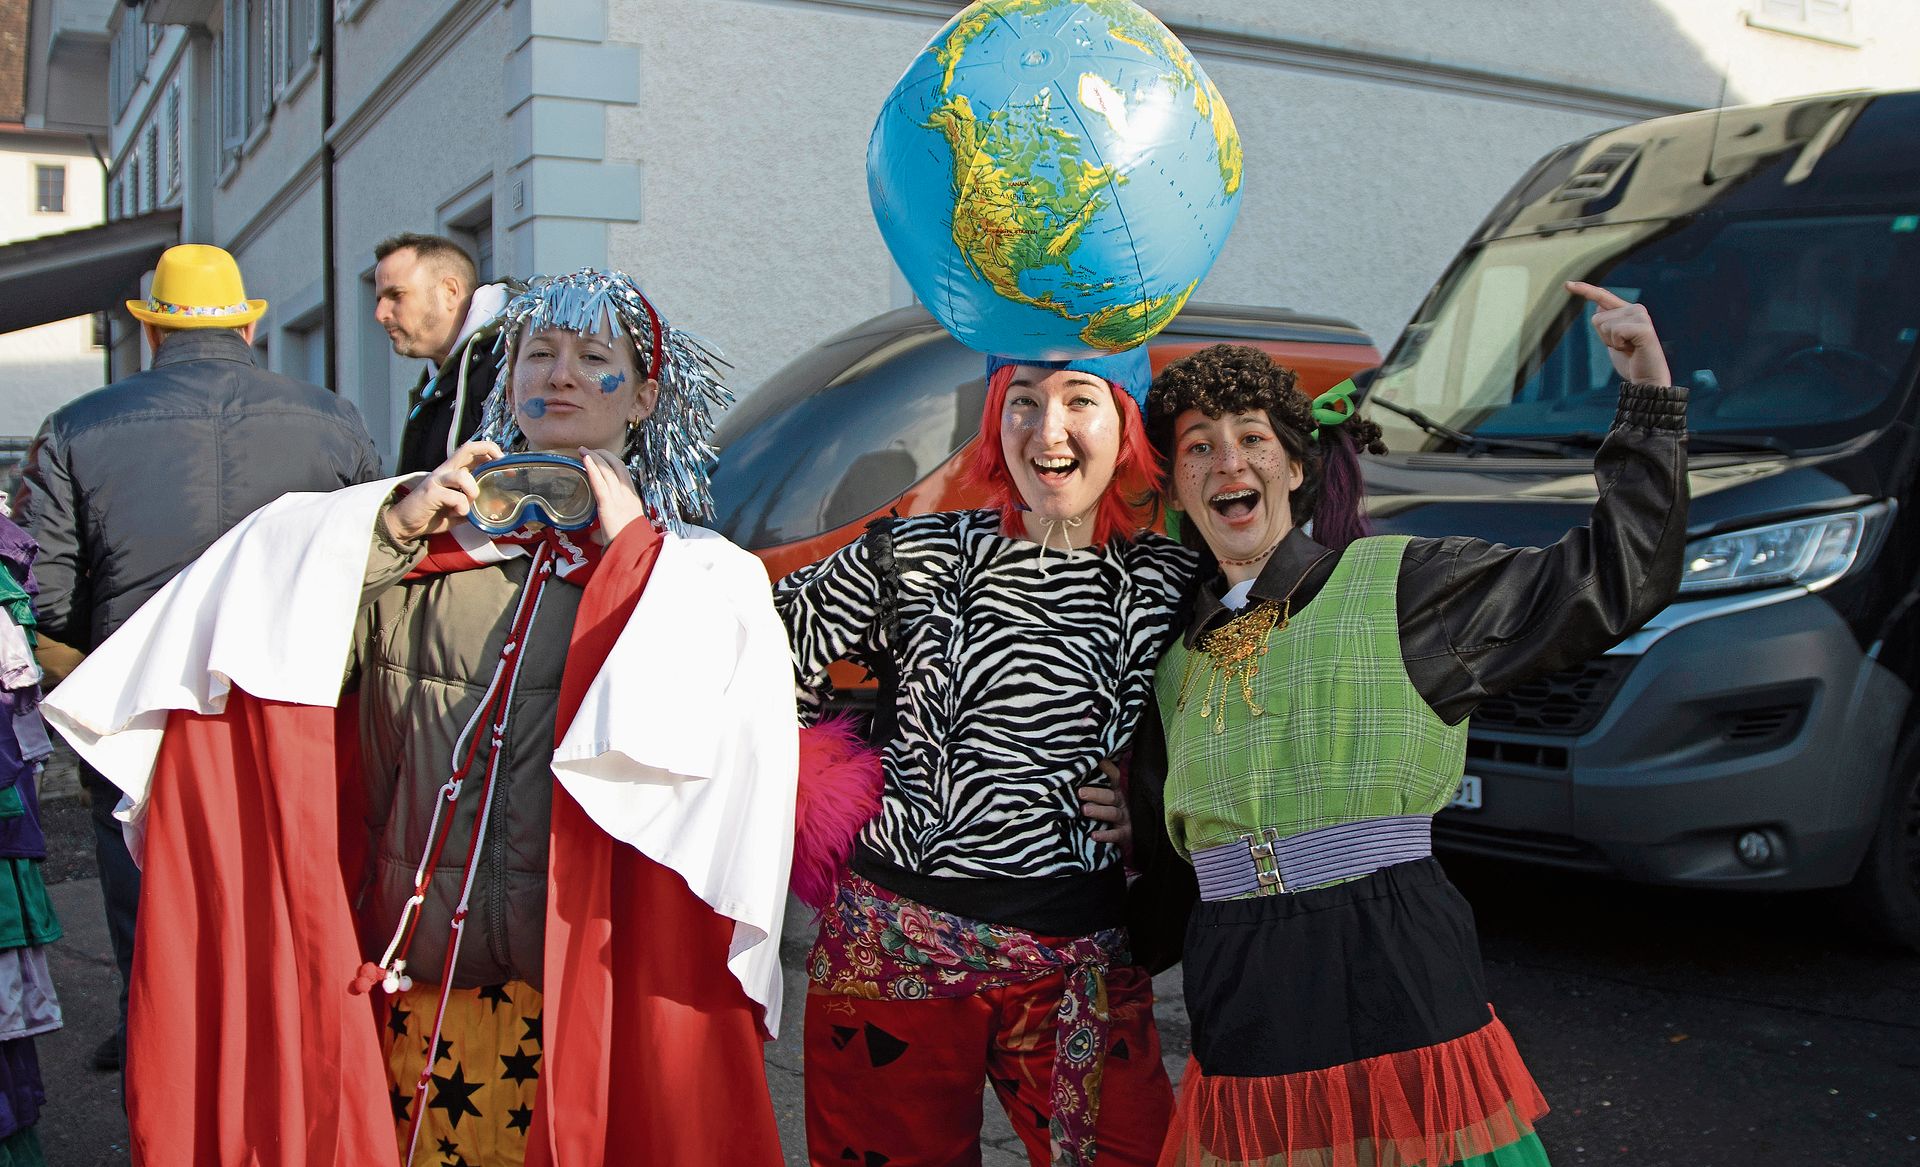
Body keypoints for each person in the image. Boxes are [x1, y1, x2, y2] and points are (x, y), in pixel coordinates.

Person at [43, 268, 797, 1166]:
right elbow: (269, 651)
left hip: (586, 997)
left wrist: (633, 558)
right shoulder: (421, 539)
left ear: (643, 396)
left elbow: (710, 765)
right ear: (506, 379)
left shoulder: (697, 576)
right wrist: (389, 536)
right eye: (537, 354)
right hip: (418, 977)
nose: (560, 374)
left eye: (594, 357)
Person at [1127, 283, 1687, 1167]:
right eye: (1200, 446)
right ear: (1178, 487)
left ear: (1296, 467)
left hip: (1395, 962)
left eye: (1252, 439)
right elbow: (1168, 886)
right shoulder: (1172, 665)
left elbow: (1612, 582)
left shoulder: (1405, 588)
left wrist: (1648, 402)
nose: (1227, 460)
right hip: (1243, 996)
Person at [775, 347, 1194, 1167]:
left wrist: (1150, 798)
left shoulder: (1170, 582)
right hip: (891, 955)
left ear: (1126, 426)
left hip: (1076, 962)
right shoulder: (914, 555)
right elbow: (751, 653)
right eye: (1023, 401)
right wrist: (824, 784)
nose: (1049, 429)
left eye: (1080, 399)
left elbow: (1246, 713)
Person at [22, 242, 382, 1074]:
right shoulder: (332, 416)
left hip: (138, 691)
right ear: (248, 326)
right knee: (290, 869)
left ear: (152, 332)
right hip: (291, 686)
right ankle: (289, 1051)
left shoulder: (77, 425)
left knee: (144, 877)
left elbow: (46, 591)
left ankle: (158, 1042)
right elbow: (371, 560)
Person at [373, 232, 520, 474]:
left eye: (396, 295)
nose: (380, 314)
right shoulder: (433, 384)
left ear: (450, 291)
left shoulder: (515, 357)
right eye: (379, 299)